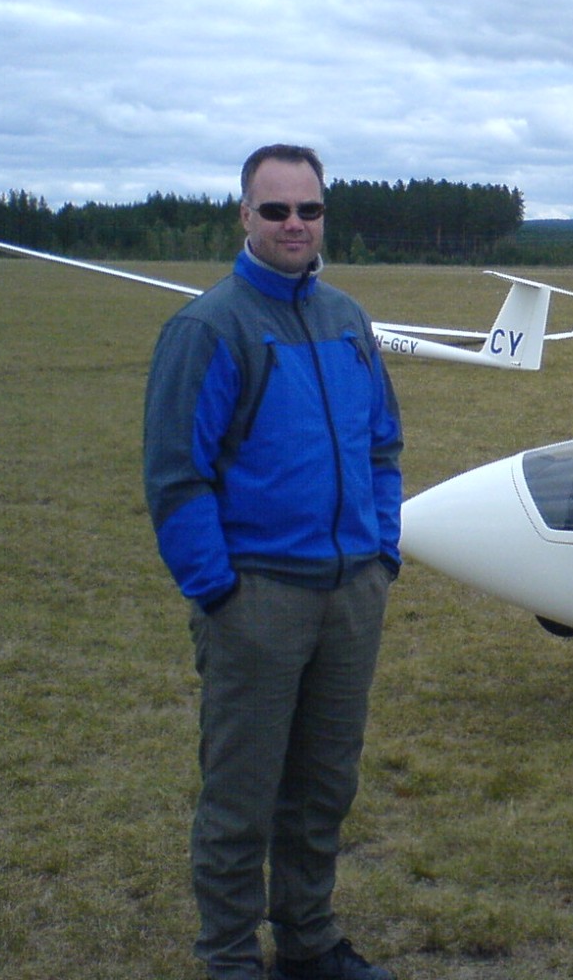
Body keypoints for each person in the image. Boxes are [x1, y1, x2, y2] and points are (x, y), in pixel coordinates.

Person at [144, 144, 402, 980]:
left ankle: (307, 941)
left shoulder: (348, 319)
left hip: (350, 595)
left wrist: (381, 553)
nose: (295, 224)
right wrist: (219, 590)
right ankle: (228, 958)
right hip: (257, 600)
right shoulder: (209, 327)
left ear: (325, 214)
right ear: (245, 215)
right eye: (277, 209)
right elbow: (176, 475)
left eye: (309, 209)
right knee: (241, 796)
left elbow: (382, 447)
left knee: (324, 787)